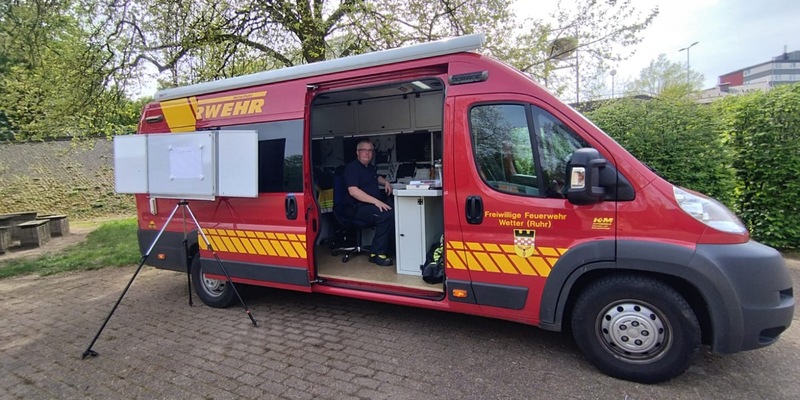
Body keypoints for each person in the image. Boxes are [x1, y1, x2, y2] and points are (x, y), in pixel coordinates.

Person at [342, 139, 395, 266]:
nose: (367, 153)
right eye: (364, 150)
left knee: (393, 210)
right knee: (385, 215)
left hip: (368, 206)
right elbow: (353, 191)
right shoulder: (352, 168)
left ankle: (384, 249)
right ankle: (377, 254)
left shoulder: (369, 168)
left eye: (370, 150)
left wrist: (386, 182)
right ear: (357, 152)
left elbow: (377, 177)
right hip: (355, 208)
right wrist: (376, 202)